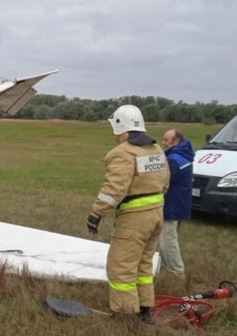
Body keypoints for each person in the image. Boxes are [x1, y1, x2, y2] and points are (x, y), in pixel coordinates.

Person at [86, 105, 169, 323]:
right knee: (143, 265)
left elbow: (114, 189)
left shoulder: (122, 152)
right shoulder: (157, 149)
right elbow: (165, 183)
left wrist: (96, 213)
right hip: (157, 214)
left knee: (121, 267)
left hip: (134, 218)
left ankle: (124, 315)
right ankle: (144, 311)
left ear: (120, 126)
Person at [160, 129, 193, 278]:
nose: (163, 143)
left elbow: (164, 183)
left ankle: (177, 272)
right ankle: (164, 267)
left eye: (166, 140)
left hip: (172, 205)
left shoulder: (173, 159)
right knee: (167, 239)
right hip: (181, 204)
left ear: (176, 141)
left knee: (168, 241)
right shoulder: (184, 155)